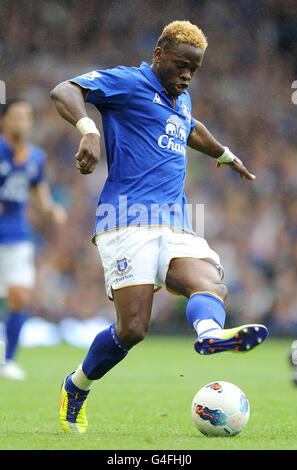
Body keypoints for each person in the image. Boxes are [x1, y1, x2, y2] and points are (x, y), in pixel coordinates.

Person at [50, 20, 268, 434]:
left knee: (208, 280)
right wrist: (89, 130)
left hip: (175, 223)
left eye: (195, 70)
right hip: (124, 220)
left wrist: (224, 155)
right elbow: (65, 89)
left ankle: (209, 334)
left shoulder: (180, 99)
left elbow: (190, 128)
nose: (187, 75)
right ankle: (76, 386)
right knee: (132, 330)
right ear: (159, 55)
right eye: (182, 66)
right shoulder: (129, 83)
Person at [0, 98, 67, 380]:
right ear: (4, 120)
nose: (21, 123)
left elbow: (39, 191)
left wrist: (52, 208)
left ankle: (9, 360)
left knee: (21, 296)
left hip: (16, 234)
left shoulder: (36, 156)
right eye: (16, 117)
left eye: (26, 117)